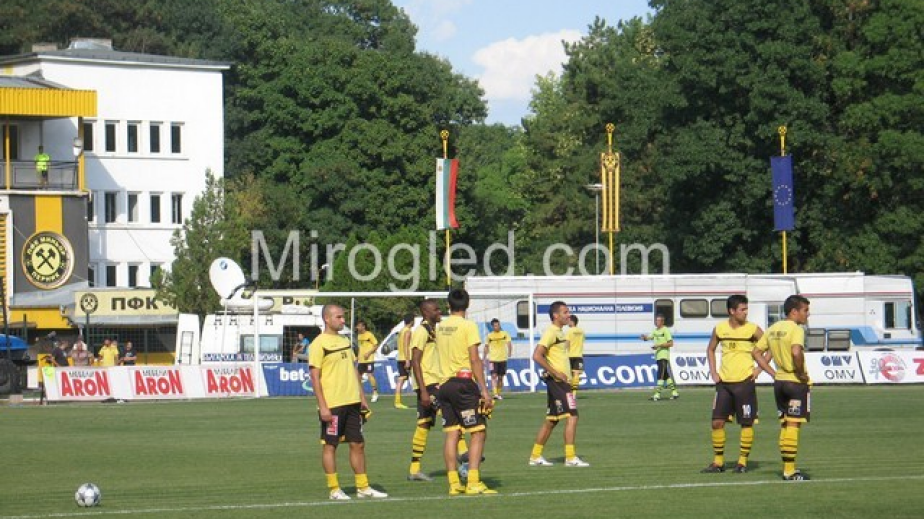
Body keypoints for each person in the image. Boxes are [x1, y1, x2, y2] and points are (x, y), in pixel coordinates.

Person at [308, 304, 388, 500]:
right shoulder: (319, 344)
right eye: (339, 317)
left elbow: (353, 370)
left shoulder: (345, 340)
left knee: (358, 444)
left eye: (343, 317)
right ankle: (334, 489)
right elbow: (315, 377)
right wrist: (323, 406)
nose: (343, 320)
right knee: (330, 446)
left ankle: (363, 487)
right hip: (333, 404)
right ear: (327, 319)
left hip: (352, 402)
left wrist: (362, 398)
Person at [436, 288, 496, 495]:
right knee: (478, 431)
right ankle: (473, 481)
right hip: (463, 384)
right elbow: (474, 359)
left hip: (444, 385)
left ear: (448, 305)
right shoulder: (468, 326)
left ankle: (454, 484)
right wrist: (484, 390)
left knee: (452, 433)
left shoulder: (441, 327)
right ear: (467, 305)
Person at [701, 294, 766, 474]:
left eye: (746, 309)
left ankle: (742, 462)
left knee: (746, 423)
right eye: (742, 309)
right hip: (724, 384)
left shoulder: (753, 329)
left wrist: (759, 369)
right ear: (732, 311)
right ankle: (718, 462)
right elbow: (710, 349)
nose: (746, 312)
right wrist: (713, 372)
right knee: (717, 423)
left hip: (745, 383)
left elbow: (770, 348)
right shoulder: (720, 329)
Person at [752, 295, 812, 481]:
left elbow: (756, 352)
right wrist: (801, 373)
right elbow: (796, 352)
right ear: (794, 311)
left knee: (785, 424)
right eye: (805, 310)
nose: (808, 314)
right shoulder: (796, 329)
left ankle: (787, 467)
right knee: (793, 424)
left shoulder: (773, 329)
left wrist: (772, 372)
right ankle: (789, 471)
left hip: (779, 383)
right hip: (795, 383)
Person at [528, 301, 590, 468]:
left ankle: (535, 456)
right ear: (555, 315)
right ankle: (570, 457)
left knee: (551, 420)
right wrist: (555, 372)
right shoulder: (551, 332)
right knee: (572, 415)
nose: (568, 315)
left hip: (561, 382)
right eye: (565, 312)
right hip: (558, 382)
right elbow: (537, 355)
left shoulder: (561, 333)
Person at [406, 299, 442, 481]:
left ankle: (414, 469)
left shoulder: (433, 330)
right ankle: (464, 457)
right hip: (428, 384)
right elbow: (415, 361)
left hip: (434, 382)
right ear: (426, 313)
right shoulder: (421, 331)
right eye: (436, 309)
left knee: (424, 424)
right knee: (451, 416)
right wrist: (423, 390)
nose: (439, 311)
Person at [641, 314, 679, 401]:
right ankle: (675, 393)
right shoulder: (655, 331)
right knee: (665, 375)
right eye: (656, 320)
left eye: (658, 320)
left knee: (660, 375)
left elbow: (671, 343)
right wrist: (644, 338)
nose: (656, 322)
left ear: (662, 322)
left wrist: (659, 345)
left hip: (664, 356)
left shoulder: (665, 330)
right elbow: (649, 337)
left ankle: (657, 394)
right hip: (658, 356)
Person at [482, 318, 512, 400]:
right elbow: (486, 347)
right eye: (495, 325)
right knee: (493, 375)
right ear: (492, 326)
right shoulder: (489, 336)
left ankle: (498, 393)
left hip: (502, 359)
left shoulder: (505, 334)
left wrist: (509, 352)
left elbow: (509, 343)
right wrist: (484, 358)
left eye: (498, 325)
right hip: (492, 359)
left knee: (501, 377)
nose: (497, 327)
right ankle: (495, 394)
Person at [355, 320, 381, 402]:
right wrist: (358, 356)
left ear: (363, 326)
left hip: (369, 359)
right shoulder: (359, 335)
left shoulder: (369, 335)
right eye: (357, 326)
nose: (357, 327)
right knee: (358, 377)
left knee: (370, 375)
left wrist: (368, 353)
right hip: (361, 360)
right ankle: (360, 394)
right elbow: (360, 347)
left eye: (359, 326)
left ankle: (375, 393)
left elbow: (376, 345)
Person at [394, 313, 414, 409]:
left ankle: (397, 401)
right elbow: (406, 345)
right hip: (406, 358)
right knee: (403, 378)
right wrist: (407, 360)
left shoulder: (401, 330)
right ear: (412, 321)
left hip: (400, 357)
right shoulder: (407, 331)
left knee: (402, 378)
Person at [566, 315, 585, 396]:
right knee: (576, 374)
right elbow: (582, 341)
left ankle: (568, 392)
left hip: (570, 355)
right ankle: (574, 394)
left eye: (568, 320)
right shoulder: (581, 331)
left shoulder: (569, 331)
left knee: (569, 375)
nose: (567, 322)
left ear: (572, 321)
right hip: (579, 355)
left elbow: (567, 343)